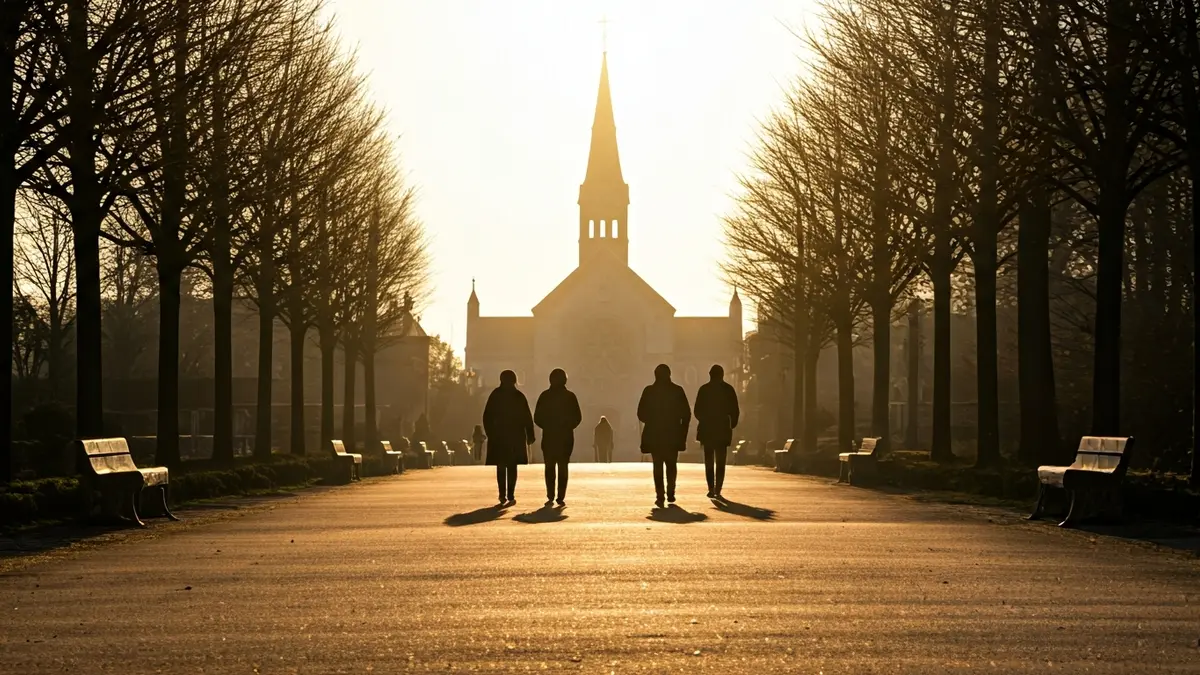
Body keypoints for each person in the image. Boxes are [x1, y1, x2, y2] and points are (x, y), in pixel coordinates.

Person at [637, 364, 691, 508]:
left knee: (658, 465)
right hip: (673, 433)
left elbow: (640, 413)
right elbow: (686, 414)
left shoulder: (649, 391)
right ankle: (671, 491)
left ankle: (660, 495)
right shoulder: (677, 391)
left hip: (655, 434)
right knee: (671, 464)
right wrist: (682, 433)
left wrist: (651, 419)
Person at [482, 370, 534, 506]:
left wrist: (490, 433)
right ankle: (510, 493)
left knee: (501, 465)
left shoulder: (495, 395)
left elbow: (487, 416)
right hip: (515, 436)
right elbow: (527, 417)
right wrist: (530, 434)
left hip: (499, 436)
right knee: (512, 466)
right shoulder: (518, 396)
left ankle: (502, 494)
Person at [533, 369, 582, 506]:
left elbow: (537, 417)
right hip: (565, 437)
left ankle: (550, 494)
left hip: (549, 436)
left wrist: (547, 426)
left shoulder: (545, 396)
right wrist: (567, 426)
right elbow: (577, 417)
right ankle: (561, 495)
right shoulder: (570, 396)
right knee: (563, 466)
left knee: (549, 466)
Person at [693, 364, 741, 499]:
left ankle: (711, 487)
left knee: (708, 460)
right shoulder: (728, 390)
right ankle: (718, 488)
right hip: (722, 429)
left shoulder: (704, 389)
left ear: (710, 374)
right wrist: (732, 424)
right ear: (722, 375)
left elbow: (697, 410)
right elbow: (735, 410)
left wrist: (704, 419)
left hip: (707, 430)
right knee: (720, 460)